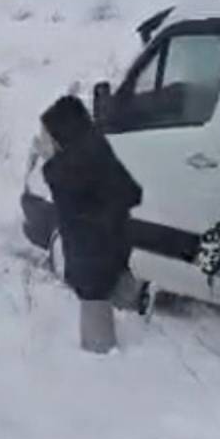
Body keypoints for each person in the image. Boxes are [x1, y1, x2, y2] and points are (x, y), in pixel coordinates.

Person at [39, 95, 148, 354]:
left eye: (47, 133)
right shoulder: (98, 149)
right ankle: (139, 329)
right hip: (115, 246)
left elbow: (75, 213)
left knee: (97, 343)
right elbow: (133, 192)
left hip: (89, 258)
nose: (44, 139)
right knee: (119, 293)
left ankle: (104, 374)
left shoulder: (62, 169)